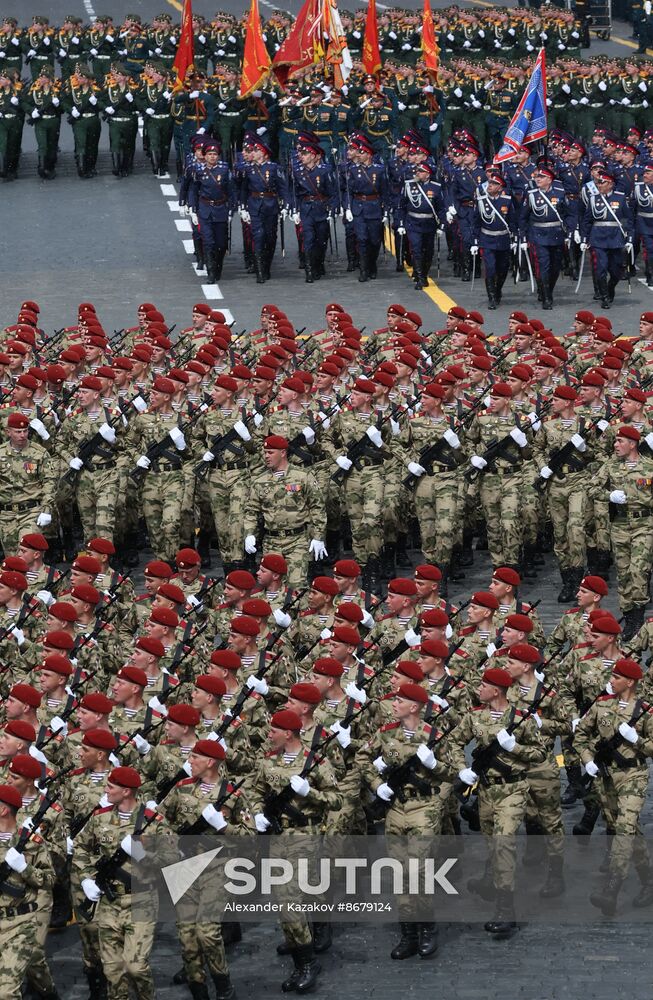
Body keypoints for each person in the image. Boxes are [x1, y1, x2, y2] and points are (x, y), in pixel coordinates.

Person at [187, 140, 234, 285]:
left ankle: (218, 266)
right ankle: (211, 272)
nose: (212, 157)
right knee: (208, 241)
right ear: (205, 156)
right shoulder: (199, 171)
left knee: (221, 243)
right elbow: (193, 191)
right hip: (205, 209)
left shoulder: (224, 170)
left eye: (215, 154)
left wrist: (232, 209)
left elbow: (231, 191)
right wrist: (193, 209)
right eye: (209, 154)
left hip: (220, 209)